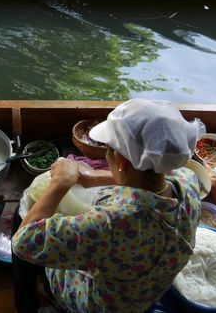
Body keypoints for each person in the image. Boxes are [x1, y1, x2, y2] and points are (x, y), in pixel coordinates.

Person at [11, 98, 202, 313]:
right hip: (146, 293)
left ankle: (27, 306)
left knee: (24, 216)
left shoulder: (112, 224)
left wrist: (60, 183)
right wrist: (95, 177)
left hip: (100, 305)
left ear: (120, 161)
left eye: (108, 150)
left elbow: (24, 242)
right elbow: (161, 175)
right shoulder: (189, 182)